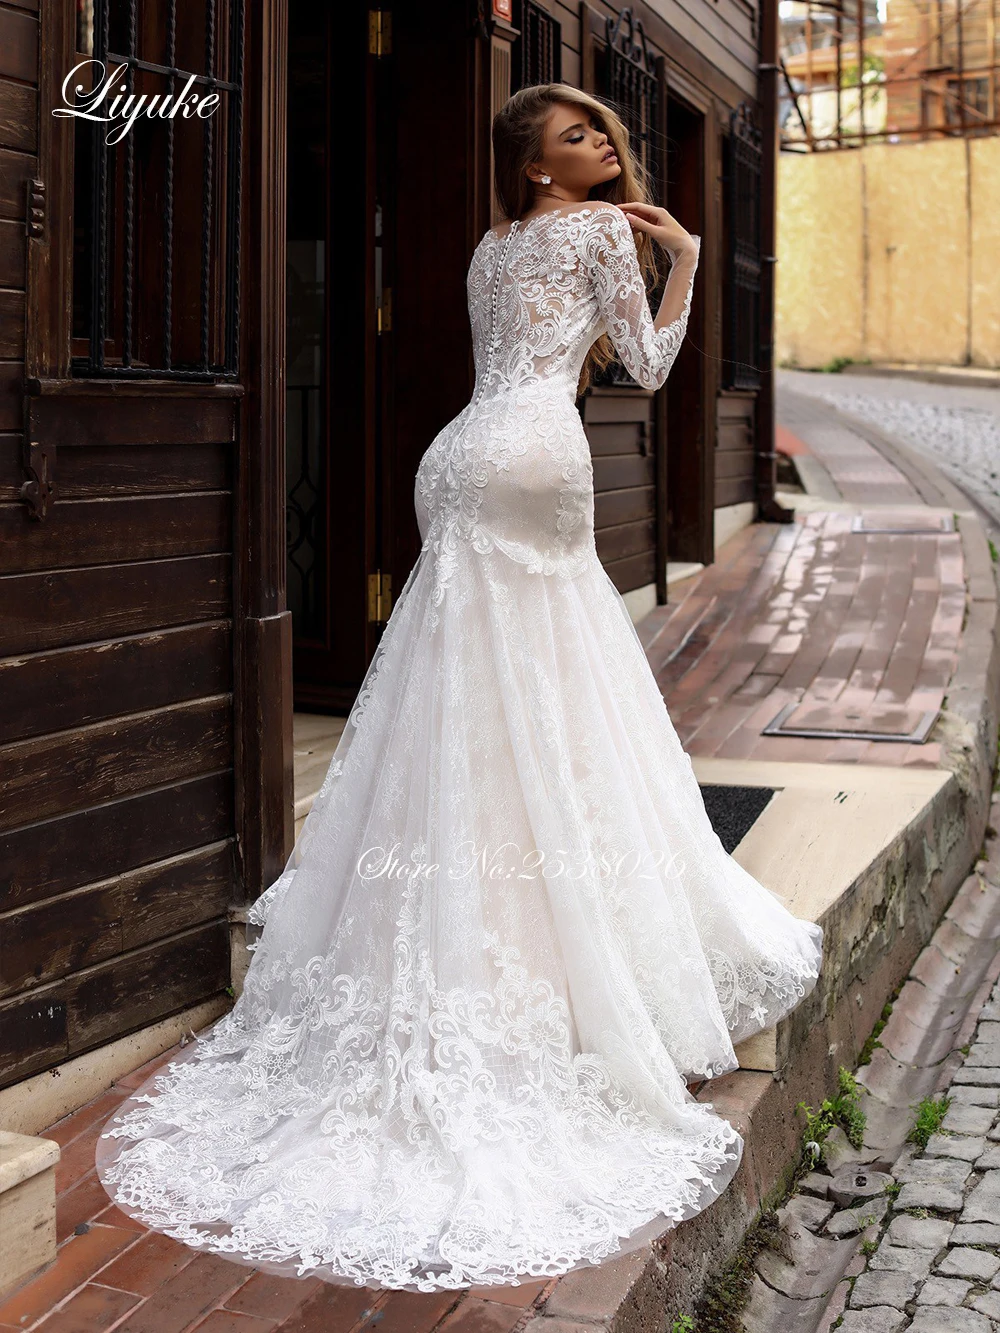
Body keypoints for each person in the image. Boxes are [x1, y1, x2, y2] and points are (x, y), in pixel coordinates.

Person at [96, 83, 823, 1295]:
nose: (599, 145)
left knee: (462, 700)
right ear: (531, 163)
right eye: (574, 134)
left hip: (463, 455)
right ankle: (554, 939)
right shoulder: (598, 233)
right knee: (549, 691)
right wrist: (687, 263)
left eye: (603, 131)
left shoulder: (493, 245)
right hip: (535, 462)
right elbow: (642, 369)